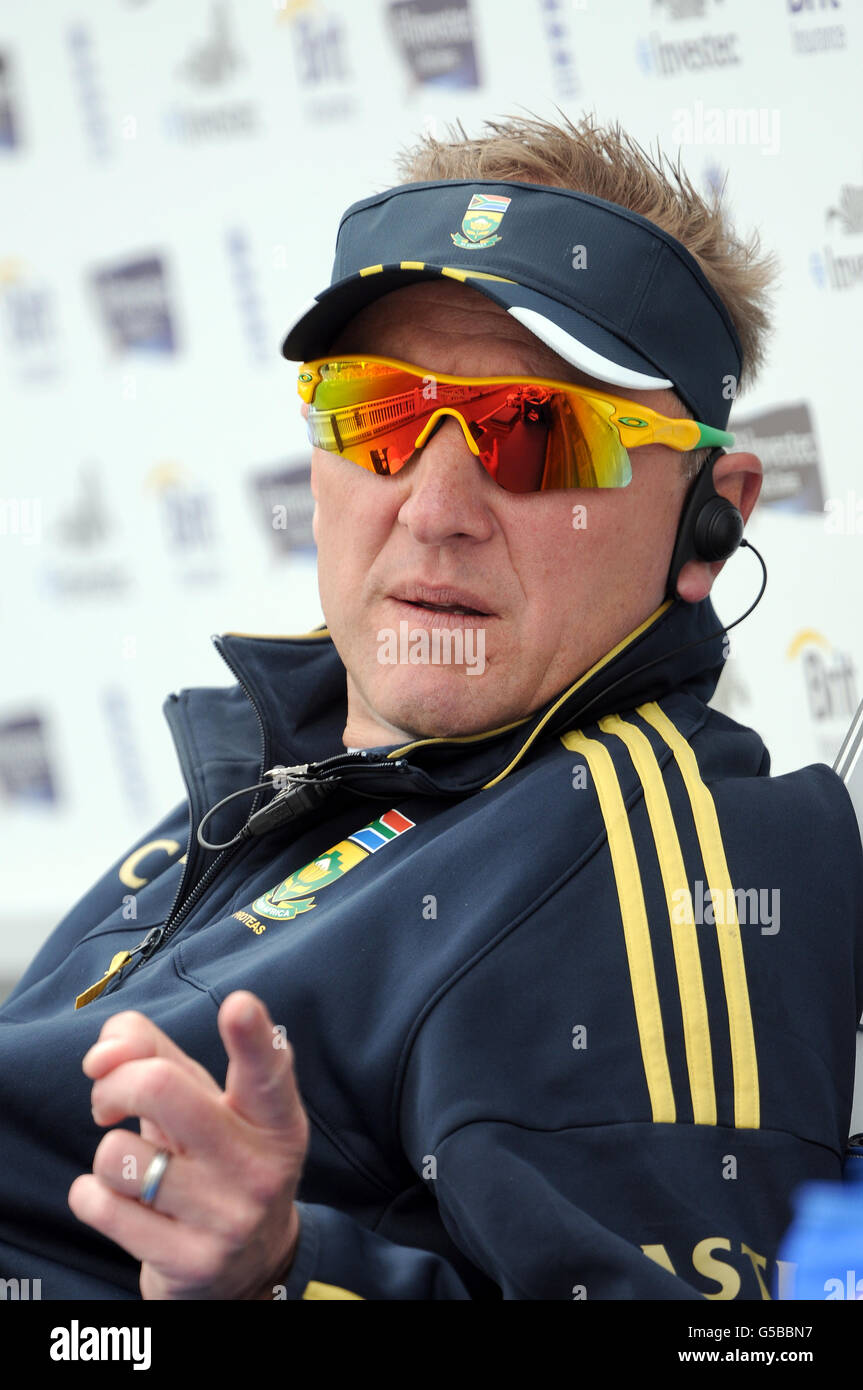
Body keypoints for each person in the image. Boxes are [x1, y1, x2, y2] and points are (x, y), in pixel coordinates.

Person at [2, 113, 861, 1302]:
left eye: (537, 433)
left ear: (708, 520)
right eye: (379, 412)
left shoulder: (656, 857)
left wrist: (282, 1275)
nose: (434, 508)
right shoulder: (274, 773)